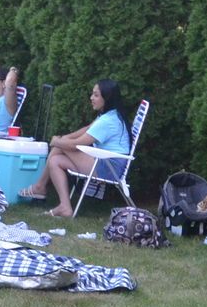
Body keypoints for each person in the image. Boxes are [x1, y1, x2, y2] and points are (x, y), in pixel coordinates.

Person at [22, 79, 133, 219]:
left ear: (107, 98)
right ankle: (64, 206)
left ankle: (40, 187)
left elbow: (76, 145)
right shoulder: (108, 115)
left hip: (109, 167)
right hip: (104, 162)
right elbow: (87, 129)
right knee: (55, 160)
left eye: (96, 95)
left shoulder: (108, 121)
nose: (91, 98)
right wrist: (63, 138)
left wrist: (58, 141)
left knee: (59, 146)